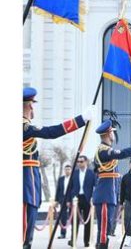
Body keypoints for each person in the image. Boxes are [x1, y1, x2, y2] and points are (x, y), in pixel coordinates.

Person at [22, 87, 94, 249]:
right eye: (31, 104)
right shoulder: (24, 127)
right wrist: (81, 119)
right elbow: (52, 132)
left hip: (30, 183)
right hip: (25, 183)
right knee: (24, 231)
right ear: (28, 106)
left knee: (27, 231)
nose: (33, 108)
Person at [92, 120, 131, 249]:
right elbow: (122, 153)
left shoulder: (106, 150)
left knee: (106, 229)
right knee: (104, 231)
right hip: (104, 195)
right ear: (108, 134)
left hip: (109, 194)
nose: (114, 135)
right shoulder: (103, 151)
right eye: (112, 132)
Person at [69, 155, 96, 247]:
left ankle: (87, 241)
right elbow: (70, 187)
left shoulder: (91, 173)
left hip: (87, 199)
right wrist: (69, 199)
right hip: (76, 199)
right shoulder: (74, 173)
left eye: (81, 161)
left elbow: (95, 187)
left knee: (87, 222)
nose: (79, 163)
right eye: (78, 162)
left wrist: (93, 198)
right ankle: (73, 240)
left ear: (86, 162)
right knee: (74, 221)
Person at [55, 164, 73, 239]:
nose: (67, 171)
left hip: (72, 200)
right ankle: (63, 233)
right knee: (63, 217)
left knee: (73, 217)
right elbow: (58, 190)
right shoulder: (61, 179)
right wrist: (56, 200)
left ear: (71, 170)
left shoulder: (73, 178)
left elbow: (74, 190)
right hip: (62, 199)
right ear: (64, 170)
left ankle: (73, 234)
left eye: (69, 169)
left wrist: (69, 200)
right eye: (66, 169)